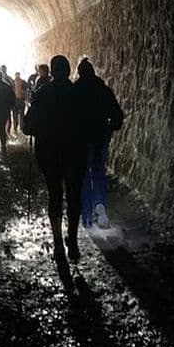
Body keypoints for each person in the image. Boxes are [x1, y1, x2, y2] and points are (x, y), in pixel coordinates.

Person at [23, 55, 87, 262]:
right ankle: (74, 240)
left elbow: (28, 126)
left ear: (52, 71)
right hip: (74, 152)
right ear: (68, 71)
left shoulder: (42, 93)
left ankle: (58, 243)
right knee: (74, 194)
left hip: (48, 152)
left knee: (55, 194)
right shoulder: (78, 93)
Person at [73, 57, 123, 228]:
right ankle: (100, 207)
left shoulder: (75, 91)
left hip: (81, 141)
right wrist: (110, 127)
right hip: (100, 138)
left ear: (79, 73)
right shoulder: (103, 90)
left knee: (84, 175)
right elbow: (117, 115)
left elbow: (68, 117)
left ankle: (86, 217)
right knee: (99, 171)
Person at [0, 65, 15, 135]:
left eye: (4, 70)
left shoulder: (9, 78)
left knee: (8, 118)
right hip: (2, 103)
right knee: (3, 119)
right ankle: (3, 133)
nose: (3, 71)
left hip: (6, 103)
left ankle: (7, 132)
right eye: (2, 70)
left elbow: (13, 90)